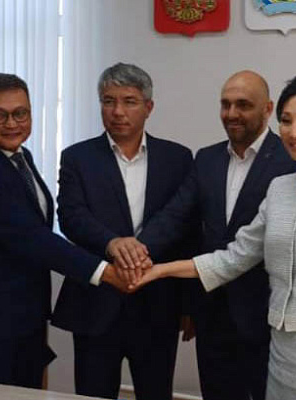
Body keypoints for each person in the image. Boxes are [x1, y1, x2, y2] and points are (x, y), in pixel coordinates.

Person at [134, 71, 296, 400]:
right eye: (286, 121)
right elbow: (233, 258)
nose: (293, 131)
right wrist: (158, 270)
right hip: (282, 350)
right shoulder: (279, 189)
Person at [111, 70, 296, 400]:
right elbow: (175, 217)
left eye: (243, 105)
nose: (231, 113)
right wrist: (135, 252)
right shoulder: (207, 159)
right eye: (225, 104)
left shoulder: (290, 161)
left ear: (268, 109)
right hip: (212, 313)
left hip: (267, 314)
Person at [0, 73, 129, 389]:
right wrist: (107, 273)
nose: (11, 124)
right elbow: (33, 239)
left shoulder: (18, 156)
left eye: (20, 113)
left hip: (24, 316)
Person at [50, 63, 197, 400]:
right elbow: (71, 216)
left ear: (149, 107)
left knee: (156, 393)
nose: (118, 111)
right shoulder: (77, 158)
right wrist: (112, 242)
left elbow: (185, 226)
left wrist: (190, 303)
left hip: (158, 304)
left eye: (129, 101)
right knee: (93, 393)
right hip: (96, 303)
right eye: (108, 101)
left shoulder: (177, 158)